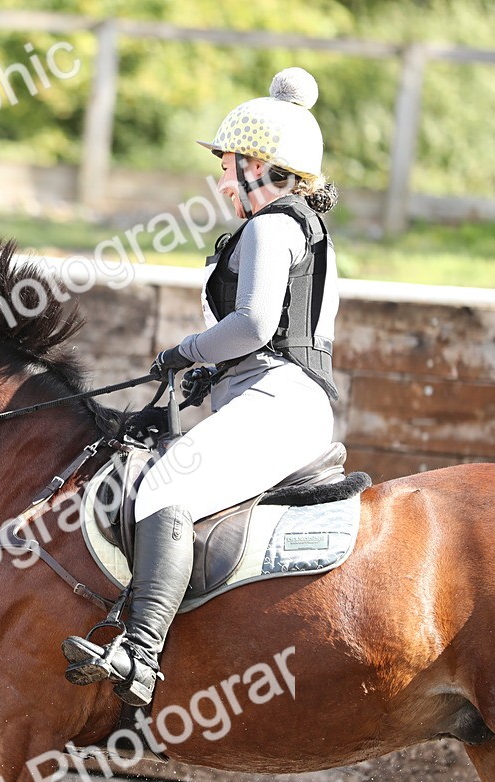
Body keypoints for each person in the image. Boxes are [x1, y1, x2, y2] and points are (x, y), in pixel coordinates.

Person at [62, 67, 342, 706]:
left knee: (165, 488)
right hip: (265, 394)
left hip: (279, 399)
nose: (221, 180)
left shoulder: (274, 224)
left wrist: (184, 353)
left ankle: (138, 655)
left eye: (230, 166)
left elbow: (253, 324)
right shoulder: (289, 227)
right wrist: (204, 375)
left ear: (263, 168)